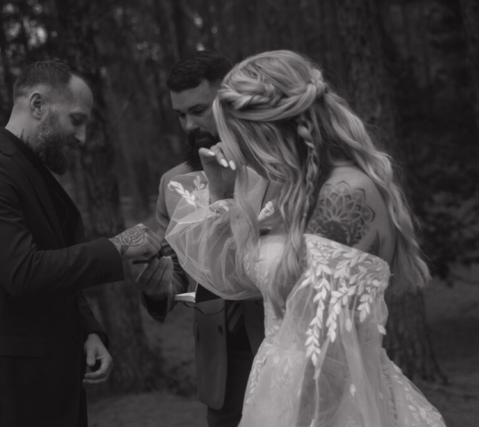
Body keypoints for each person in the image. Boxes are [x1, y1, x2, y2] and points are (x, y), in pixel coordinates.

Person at [165, 50, 446, 426]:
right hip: (278, 390)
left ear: (271, 129)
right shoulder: (294, 192)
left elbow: (327, 351)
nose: (236, 152)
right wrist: (222, 195)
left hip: (324, 406)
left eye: (240, 137)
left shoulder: (344, 196)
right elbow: (238, 279)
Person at [0, 60, 161, 427]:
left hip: (54, 385)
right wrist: (118, 245)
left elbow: (56, 263)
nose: (82, 137)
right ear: (38, 105)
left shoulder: (29, 171)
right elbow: (24, 271)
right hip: (9, 396)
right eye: (77, 120)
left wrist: (88, 329)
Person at [133, 51, 276, 427]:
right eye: (180, 115)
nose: (188, 126)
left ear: (229, 99)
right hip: (221, 359)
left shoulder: (277, 165)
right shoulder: (174, 184)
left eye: (199, 110)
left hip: (280, 341)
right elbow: (178, 268)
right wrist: (157, 287)